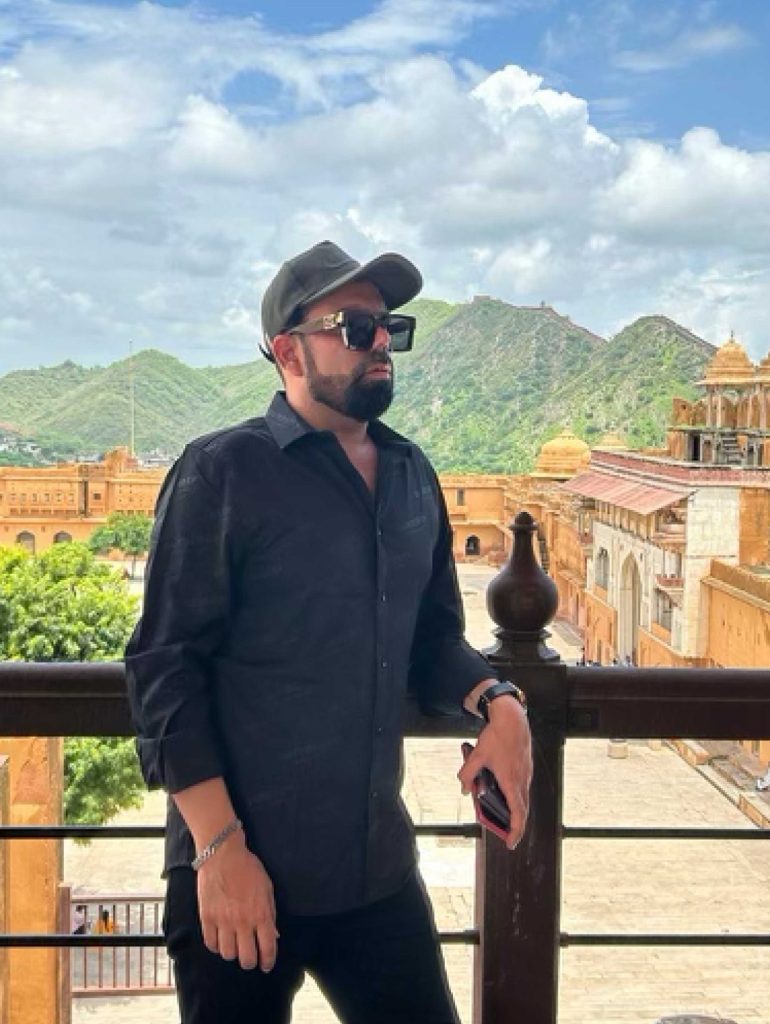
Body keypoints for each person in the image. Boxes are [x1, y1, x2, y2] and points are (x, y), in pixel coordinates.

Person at [125, 239, 533, 1024]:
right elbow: (164, 666)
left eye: (390, 328)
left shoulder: (413, 476)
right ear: (286, 349)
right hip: (241, 870)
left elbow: (433, 640)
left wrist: (500, 700)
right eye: (355, 327)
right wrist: (217, 849)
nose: (381, 342)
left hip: (374, 874)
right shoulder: (224, 472)